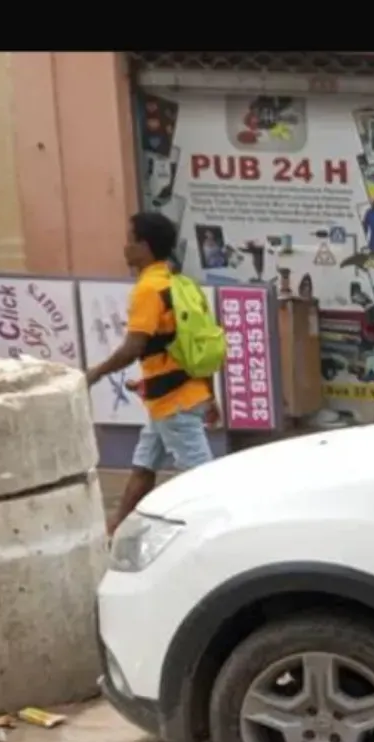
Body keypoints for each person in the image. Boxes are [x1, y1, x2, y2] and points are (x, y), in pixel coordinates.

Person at [87, 212, 218, 534]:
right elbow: (196, 344)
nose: (125, 247)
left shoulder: (149, 290)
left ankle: (220, 531)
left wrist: (95, 373)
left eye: (129, 240)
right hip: (178, 395)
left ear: (143, 247)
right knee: (144, 465)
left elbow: (134, 347)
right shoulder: (179, 284)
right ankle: (115, 528)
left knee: (205, 479)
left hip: (173, 403)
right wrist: (209, 393)